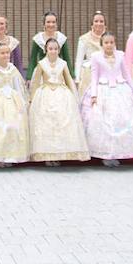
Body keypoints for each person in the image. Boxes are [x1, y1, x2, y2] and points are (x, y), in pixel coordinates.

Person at [83, 32, 133, 167]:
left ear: (115, 43)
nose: (109, 45)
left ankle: (122, 151)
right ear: (102, 44)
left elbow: (126, 72)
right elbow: (94, 76)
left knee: (123, 119)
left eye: (111, 42)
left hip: (120, 89)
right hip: (103, 89)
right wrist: (94, 95)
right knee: (105, 121)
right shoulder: (96, 56)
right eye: (106, 43)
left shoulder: (120, 55)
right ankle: (106, 153)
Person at [28, 37, 89, 165]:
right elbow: (35, 82)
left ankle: (61, 153)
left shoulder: (63, 64)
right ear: (46, 50)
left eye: (55, 49)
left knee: (62, 122)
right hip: (45, 94)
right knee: (47, 124)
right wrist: (31, 99)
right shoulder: (41, 64)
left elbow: (68, 80)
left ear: (59, 50)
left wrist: (74, 96)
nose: (53, 51)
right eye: (50, 49)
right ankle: (47, 155)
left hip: (62, 95)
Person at [27, 11, 71, 81]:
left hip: (59, 73)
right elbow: (33, 59)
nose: (51, 24)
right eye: (48, 22)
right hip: (42, 73)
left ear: (56, 24)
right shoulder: (37, 39)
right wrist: (29, 77)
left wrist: (71, 76)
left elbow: (67, 58)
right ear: (44, 24)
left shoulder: (62, 38)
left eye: (53, 22)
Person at [73, 11, 106, 98]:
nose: (99, 23)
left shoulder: (108, 38)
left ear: (105, 24)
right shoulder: (84, 39)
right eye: (96, 21)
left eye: (101, 21)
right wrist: (77, 78)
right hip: (89, 74)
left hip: (105, 72)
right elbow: (79, 60)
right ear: (92, 24)